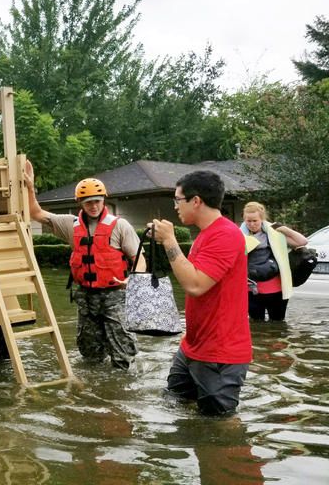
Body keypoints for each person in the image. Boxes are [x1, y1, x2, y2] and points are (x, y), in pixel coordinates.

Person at [152, 170, 251, 416]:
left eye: (178, 200)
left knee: (219, 425)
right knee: (174, 404)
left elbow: (195, 285)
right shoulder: (206, 234)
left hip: (220, 354)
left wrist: (169, 241)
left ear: (196, 201)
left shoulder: (225, 234)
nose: (176, 206)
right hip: (193, 346)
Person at [24, 161, 140, 370]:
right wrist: (31, 187)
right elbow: (36, 213)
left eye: (97, 201)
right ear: (80, 203)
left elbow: (138, 257)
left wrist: (133, 279)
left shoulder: (120, 225)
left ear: (104, 200)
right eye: (88, 203)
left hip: (115, 295)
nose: (93, 206)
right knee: (89, 353)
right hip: (86, 297)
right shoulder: (70, 224)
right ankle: (94, 385)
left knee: (123, 352)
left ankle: (123, 384)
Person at [240, 201, 308, 322]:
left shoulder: (275, 232)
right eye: (248, 221)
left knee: (278, 323)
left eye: (255, 221)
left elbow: (302, 241)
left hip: (276, 288)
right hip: (250, 289)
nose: (252, 224)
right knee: (256, 324)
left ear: (262, 219)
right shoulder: (238, 235)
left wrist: (286, 230)